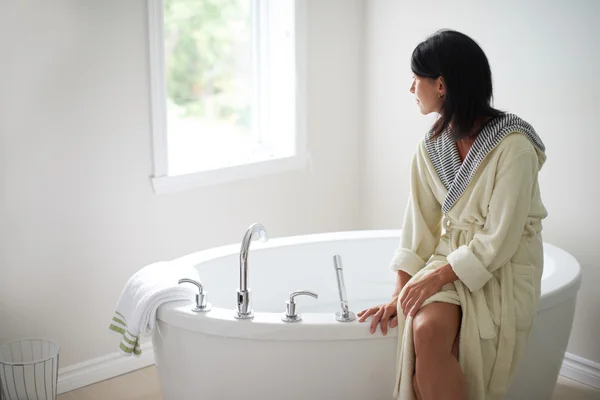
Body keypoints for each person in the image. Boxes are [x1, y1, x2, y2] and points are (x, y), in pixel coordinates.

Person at [358, 29, 548, 400]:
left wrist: (434, 279)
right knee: (425, 333)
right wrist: (399, 293)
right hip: (453, 259)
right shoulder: (431, 146)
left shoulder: (514, 147)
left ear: (441, 84)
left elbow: (501, 237)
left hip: (501, 266)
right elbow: (418, 226)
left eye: (416, 79)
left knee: (428, 367)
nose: (411, 89)